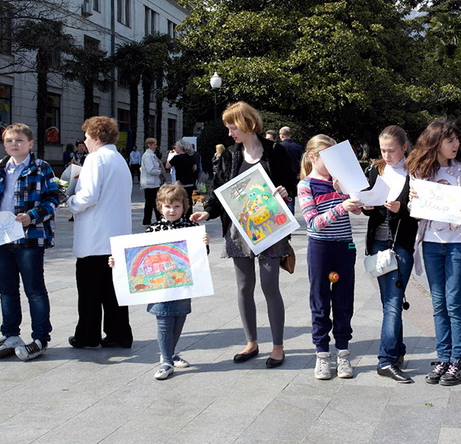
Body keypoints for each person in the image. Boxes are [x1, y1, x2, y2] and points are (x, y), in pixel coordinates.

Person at [191, 102, 296, 368]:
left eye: (232, 127)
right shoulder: (229, 155)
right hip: (239, 230)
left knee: (270, 286)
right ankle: (251, 342)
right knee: (243, 286)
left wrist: (286, 192)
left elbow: (291, 183)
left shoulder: (275, 151)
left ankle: (278, 346)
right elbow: (219, 190)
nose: (229, 133)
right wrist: (207, 213)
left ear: (246, 122)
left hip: (270, 229)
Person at [405, 118, 461, 386]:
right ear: (435, 143)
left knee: (454, 300)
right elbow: (414, 210)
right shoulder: (420, 172)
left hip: (458, 242)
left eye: (456, 140)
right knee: (438, 302)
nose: (455, 144)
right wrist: (413, 202)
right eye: (450, 140)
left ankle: (458, 359)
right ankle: (443, 357)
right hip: (431, 242)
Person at [0, 123, 58, 361]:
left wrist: (31, 217)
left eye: (19, 140)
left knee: (34, 289)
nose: (14, 144)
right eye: (9, 140)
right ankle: (10, 334)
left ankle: (40, 337)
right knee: (7, 290)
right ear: (4, 144)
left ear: (30, 144)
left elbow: (54, 198)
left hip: (29, 235)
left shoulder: (41, 167)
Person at [112, 184, 209, 380]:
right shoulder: (153, 230)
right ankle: (166, 361)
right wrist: (117, 261)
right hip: (159, 287)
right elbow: (134, 258)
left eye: (176, 206)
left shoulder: (191, 228)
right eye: (167, 206)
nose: (172, 210)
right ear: (159, 207)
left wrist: (204, 245)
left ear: (185, 207)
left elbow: (201, 257)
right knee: (164, 320)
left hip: (182, 286)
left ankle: (171, 354)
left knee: (179, 317)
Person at [298, 134, 363, 380]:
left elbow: (358, 208)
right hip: (321, 248)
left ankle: (344, 353)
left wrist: (351, 196)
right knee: (320, 301)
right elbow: (314, 224)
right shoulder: (306, 185)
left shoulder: (341, 181)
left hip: (344, 246)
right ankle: (322, 354)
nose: (334, 165)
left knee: (344, 300)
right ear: (313, 157)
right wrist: (341, 207)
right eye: (329, 158)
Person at [67, 116, 134, 349]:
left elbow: (88, 196)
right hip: (117, 234)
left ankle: (87, 334)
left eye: (86, 136)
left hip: (95, 237)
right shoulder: (119, 159)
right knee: (113, 291)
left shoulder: (95, 159)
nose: (84, 141)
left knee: (89, 291)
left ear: (96, 136)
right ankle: (119, 333)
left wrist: (70, 200)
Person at [362, 126, 418, 383]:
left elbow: (422, 207)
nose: (386, 155)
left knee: (393, 302)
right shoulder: (376, 170)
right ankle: (393, 354)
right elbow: (366, 208)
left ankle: (388, 358)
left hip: (401, 244)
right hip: (377, 243)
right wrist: (367, 204)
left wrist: (402, 208)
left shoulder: (415, 172)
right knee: (390, 302)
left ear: (404, 147)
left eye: (391, 150)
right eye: (383, 150)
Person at [165, 140, 197, 214]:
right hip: (190, 181)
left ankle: (181, 215)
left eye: (177, 147)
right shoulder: (191, 157)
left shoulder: (176, 158)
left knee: (180, 200)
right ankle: (189, 216)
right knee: (188, 200)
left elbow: (167, 166)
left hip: (180, 182)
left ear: (180, 148)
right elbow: (195, 168)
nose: (176, 148)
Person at [279, 126, 304, 213]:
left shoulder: (278, 147)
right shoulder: (298, 147)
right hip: (294, 176)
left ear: (281, 135)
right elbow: (303, 162)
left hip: (281, 176)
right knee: (290, 198)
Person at [140, 138, 163, 225]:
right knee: (151, 202)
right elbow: (150, 169)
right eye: (154, 144)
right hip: (150, 183)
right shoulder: (147, 156)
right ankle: (148, 220)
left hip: (153, 182)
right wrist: (159, 172)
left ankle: (155, 219)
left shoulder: (151, 155)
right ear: (149, 145)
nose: (156, 146)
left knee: (153, 202)